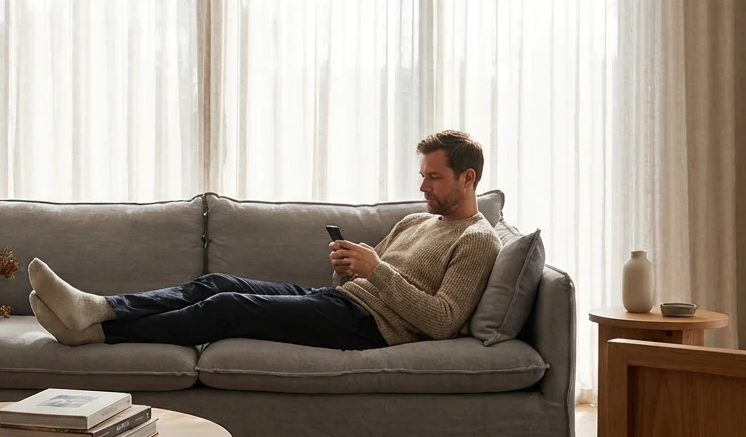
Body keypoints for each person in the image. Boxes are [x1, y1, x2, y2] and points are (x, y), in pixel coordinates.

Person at [28, 130, 502, 350]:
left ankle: (97, 332)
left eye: (434, 178)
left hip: (369, 329)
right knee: (213, 283)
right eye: (422, 176)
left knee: (228, 308)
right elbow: (355, 283)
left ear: (468, 178)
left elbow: (441, 321)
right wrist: (346, 267)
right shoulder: (418, 222)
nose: (422, 188)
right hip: (340, 303)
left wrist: (376, 269)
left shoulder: (479, 241)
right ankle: (98, 308)